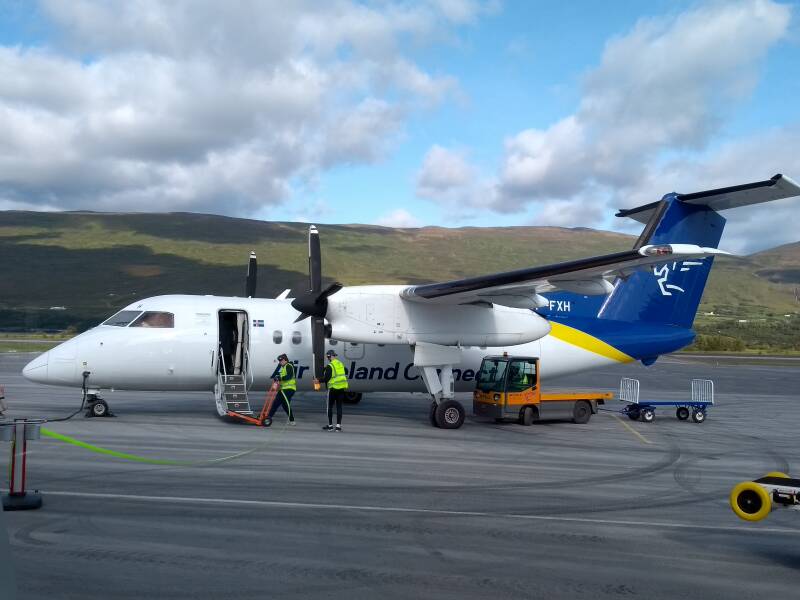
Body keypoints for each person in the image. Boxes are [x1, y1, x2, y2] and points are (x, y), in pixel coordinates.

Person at [315, 349, 348, 432]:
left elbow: (326, 378)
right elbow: (344, 371)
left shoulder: (330, 366)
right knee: (339, 407)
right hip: (341, 388)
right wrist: (326, 369)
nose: (328, 358)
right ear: (335, 356)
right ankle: (338, 426)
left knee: (329, 407)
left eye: (328, 357)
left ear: (329, 357)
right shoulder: (340, 363)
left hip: (333, 389)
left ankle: (330, 426)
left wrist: (318, 380)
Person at [265, 354, 296, 426]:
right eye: (279, 361)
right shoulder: (284, 367)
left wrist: (280, 378)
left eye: (281, 360)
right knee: (280, 404)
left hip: (289, 389)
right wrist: (278, 378)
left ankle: (269, 417)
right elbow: (282, 377)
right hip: (283, 389)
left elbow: (289, 376)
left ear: (285, 360)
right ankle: (269, 417)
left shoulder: (289, 366)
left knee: (281, 403)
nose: (280, 362)